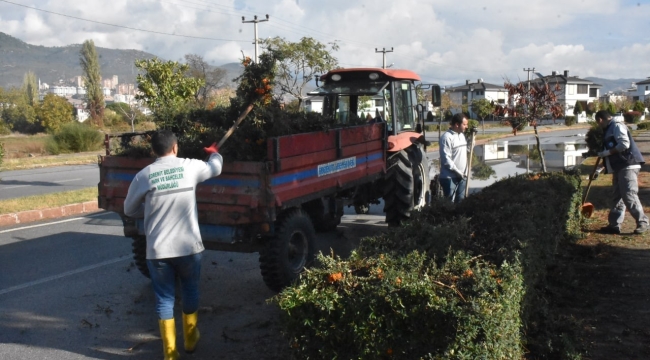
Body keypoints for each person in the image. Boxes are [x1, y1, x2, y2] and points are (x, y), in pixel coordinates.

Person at [124, 130, 223, 359]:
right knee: (190, 289)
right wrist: (214, 153)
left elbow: (129, 209)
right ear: (176, 147)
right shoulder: (190, 167)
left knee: (164, 298)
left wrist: (148, 212)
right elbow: (215, 168)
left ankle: (170, 352)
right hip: (188, 248)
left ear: (153, 151)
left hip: (158, 251)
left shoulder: (144, 175)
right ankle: (190, 339)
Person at [593, 110, 648, 235]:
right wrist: (600, 168)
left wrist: (606, 152)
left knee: (629, 195)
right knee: (617, 196)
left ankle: (643, 222)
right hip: (619, 167)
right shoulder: (609, 129)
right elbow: (612, 153)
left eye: (598, 122)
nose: (598, 125)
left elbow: (624, 144)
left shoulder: (616, 126)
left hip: (628, 165)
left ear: (600, 119)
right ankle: (614, 225)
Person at [439, 113, 469, 203]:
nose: (466, 127)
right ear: (457, 124)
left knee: (460, 202)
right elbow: (446, 159)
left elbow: (463, 152)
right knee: (450, 204)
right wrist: (457, 172)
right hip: (450, 178)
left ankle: (459, 217)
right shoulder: (446, 138)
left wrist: (471, 144)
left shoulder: (461, 135)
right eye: (464, 124)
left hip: (462, 177)